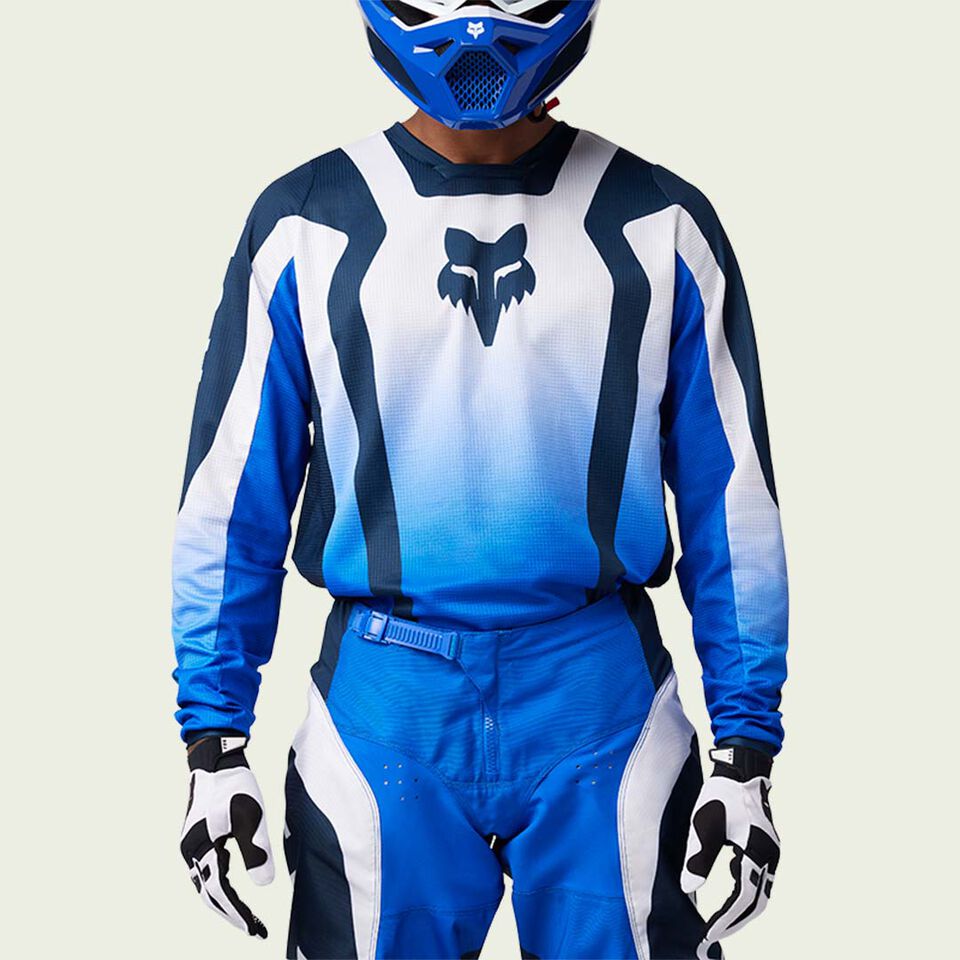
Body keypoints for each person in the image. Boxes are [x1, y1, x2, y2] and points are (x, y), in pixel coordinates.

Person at [173, 2, 788, 958]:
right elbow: (232, 498)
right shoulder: (303, 223)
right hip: (387, 707)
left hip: (600, 703)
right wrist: (213, 745)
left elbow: (731, 499)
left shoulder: (663, 222)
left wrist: (746, 752)